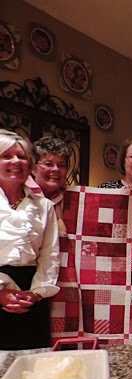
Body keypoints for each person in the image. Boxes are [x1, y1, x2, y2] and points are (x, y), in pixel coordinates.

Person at [0, 129, 60, 350]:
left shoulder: (44, 206)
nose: (16, 161)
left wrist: (35, 293)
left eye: (22, 156)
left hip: (31, 293)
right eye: (6, 156)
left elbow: (49, 255)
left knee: (34, 360)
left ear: (30, 165)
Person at [30, 137, 71, 228]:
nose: (56, 169)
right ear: (33, 168)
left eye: (61, 165)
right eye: (48, 164)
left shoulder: (71, 198)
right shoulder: (22, 194)